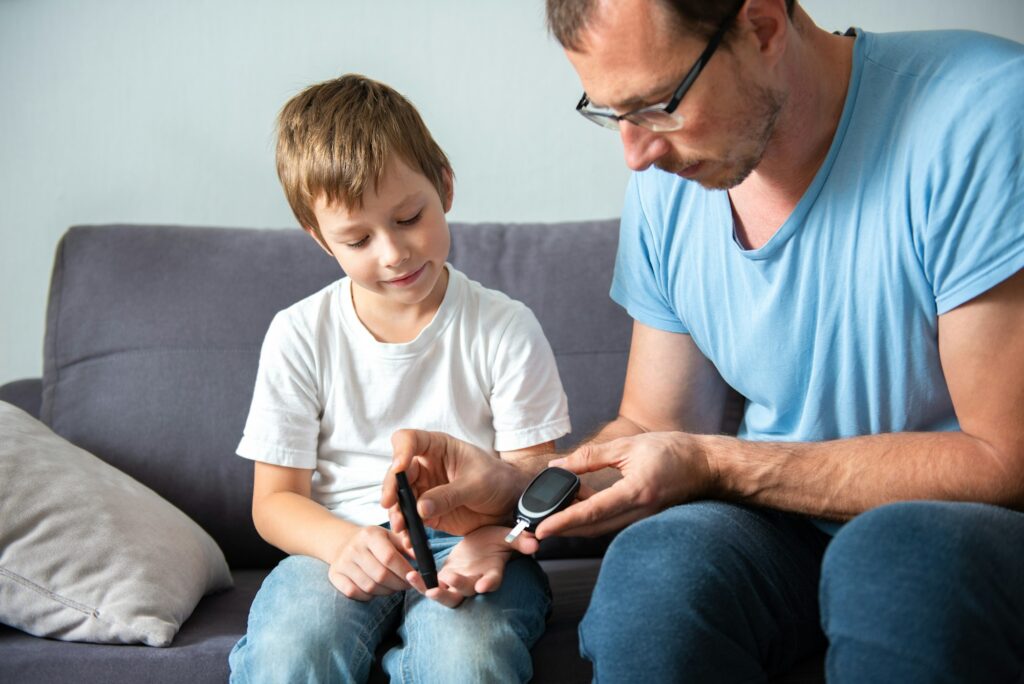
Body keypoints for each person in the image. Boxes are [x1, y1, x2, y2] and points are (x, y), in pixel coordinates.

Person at [383, 0, 1024, 681]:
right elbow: (657, 427)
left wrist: (721, 464)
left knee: (893, 561)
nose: (636, 154)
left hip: (964, 529)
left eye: (658, 105)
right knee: (659, 570)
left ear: (762, 26)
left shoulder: (981, 115)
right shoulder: (673, 182)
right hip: (787, 529)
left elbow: (1002, 461)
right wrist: (519, 487)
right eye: (611, 113)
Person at [227, 74, 571, 684]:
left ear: (445, 185)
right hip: (338, 541)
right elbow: (273, 501)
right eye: (357, 239)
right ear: (320, 239)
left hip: (474, 539)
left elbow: (534, 480)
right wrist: (340, 544)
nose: (393, 253)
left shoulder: (505, 327)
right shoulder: (299, 333)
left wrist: (495, 539)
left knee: (467, 661)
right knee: (289, 654)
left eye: (409, 217)